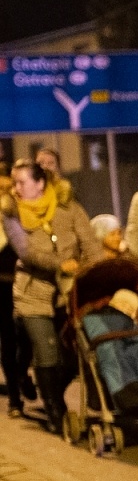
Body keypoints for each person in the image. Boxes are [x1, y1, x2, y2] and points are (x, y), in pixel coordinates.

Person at [2, 160, 95, 433]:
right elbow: (26, 251)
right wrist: (60, 265)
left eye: (22, 182)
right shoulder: (10, 213)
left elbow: (88, 242)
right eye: (14, 182)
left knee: (72, 354)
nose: (16, 188)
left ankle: (44, 384)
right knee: (46, 350)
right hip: (32, 293)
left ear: (40, 183)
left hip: (69, 292)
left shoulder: (69, 207)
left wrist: (95, 271)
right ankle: (56, 411)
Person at [0, 160, 35, 417]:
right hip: (1, 285)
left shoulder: (20, 210)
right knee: (8, 339)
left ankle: (22, 373)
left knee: (29, 336)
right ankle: (14, 397)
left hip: (24, 280)